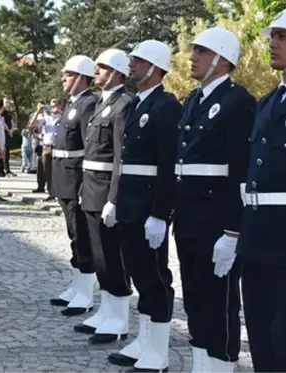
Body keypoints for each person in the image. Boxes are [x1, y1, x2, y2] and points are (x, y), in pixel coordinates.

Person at [173, 27, 256, 373]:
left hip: (216, 220)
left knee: (219, 301)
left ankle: (222, 364)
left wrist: (233, 232)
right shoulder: (194, 99)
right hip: (190, 217)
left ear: (222, 60)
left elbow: (241, 173)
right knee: (194, 297)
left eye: (202, 52)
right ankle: (201, 363)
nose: (192, 57)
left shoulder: (239, 102)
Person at [107, 40, 182, 373]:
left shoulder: (166, 107)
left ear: (154, 67)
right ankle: (145, 338)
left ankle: (159, 350)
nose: (131, 65)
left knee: (155, 277)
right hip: (129, 202)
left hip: (148, 205)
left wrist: (159, 214)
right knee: (138, 274)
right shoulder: (136, 104)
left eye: (137, 61)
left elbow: (168, 166)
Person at [236, 12, 286, 373]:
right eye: (274, 36)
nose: (274, 43)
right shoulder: (267, 102)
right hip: (257, 235)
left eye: (283, 37)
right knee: (260, 334)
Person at [73, 48, 133, 344]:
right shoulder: (100, 104)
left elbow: (121, 157)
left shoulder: (124, 104)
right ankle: (107, 310)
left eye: (103, 67)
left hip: (107, 188)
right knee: (99, 256)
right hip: (91, 187)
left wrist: (115, 198)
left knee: (113, 256)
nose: (96, 71)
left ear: (118, 71)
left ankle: (119, 317)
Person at [48, 55, 97, 317]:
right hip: (63, 177)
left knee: (82, 236)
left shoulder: (88, 104)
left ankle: (86, 292)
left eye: (67, 74)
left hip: (76, 179)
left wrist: (83, 186)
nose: (63, 79)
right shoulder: (73, 104)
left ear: (81, 77)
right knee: (73, 236)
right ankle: (77, 285)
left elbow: (89, 148)